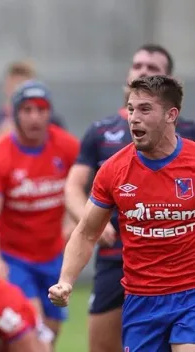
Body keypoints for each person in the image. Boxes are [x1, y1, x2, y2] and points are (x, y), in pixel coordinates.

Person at [64, 43, 195, 352]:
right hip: (140, 297)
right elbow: (85, 231)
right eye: (132, 109)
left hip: (189, 293)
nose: (133, 118)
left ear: (171, 114)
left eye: (145, 110)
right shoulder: (112, 169)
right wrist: (67, 280)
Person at [0, 80, 80, 347]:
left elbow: (83, 192)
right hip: (14, 260)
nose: (35, 117)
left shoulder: (67, 147)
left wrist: (73, 226)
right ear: (15, 113)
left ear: (49, 113)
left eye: (41, 110)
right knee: (35, 330)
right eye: (28, 110)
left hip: (53, 256)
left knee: (50, 334)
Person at [0, 60, 66, 152]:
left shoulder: (50, 119)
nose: (17, 91)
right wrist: (4, 133)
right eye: (14, 85)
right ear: (6, 86)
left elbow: (65, 149)